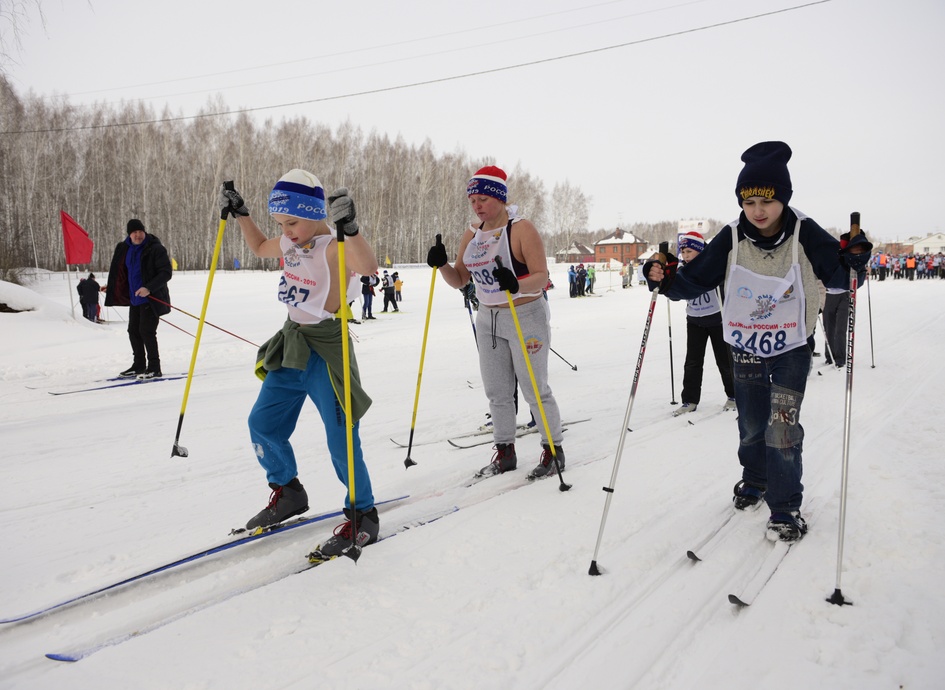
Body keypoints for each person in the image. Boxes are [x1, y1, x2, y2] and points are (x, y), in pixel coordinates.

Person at [644, 142, 871, 542]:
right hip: (746, 345)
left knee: (781, 427)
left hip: (792, 346)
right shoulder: (731, 236)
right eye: (749, 200)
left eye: (767, 199)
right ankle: (756, 478)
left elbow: (840, 279)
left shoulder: (804, 230)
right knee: (750, 424)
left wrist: (853, 261)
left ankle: (785, 508)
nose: (758, 209)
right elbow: (695, 281)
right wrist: (664, 281)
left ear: (782, 198)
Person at [220, 170, 380, 558]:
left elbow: (369, 265)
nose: (286, 231)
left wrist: (351, 228)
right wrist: (242, 213)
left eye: (291, 222)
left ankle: (364, 515)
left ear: (313, 212)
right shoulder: (292, 243)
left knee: (341, 439)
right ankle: (288, 491)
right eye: (281, 224)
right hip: (291, 346)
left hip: (327, 351)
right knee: (263, 424)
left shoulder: (332, 245)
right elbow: (259, 247)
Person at [427, 165, 565, 479]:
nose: (476, 205)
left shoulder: (521, 229)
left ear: (500, 199)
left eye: (483, 199)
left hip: (525, 314)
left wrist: (516, 283)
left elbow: (541, 277)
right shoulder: (472, 232)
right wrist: (442, 265)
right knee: (497, 391)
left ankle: (553, 449)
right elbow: (460, 279)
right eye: (472, 199)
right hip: (488, 316)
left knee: (534, 389)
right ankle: (505, 452)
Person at [671, 232, 735, 417]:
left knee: (724, 360)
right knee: (692, 362)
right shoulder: (683, 271)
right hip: (694, 320)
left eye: (689, 250)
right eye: (683, 251)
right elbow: (676, 294)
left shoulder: (712, 267)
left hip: (717, 319)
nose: (685, 254)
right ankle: (689, 400)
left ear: (700, 251)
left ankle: (733, 395)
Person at [104, 219, 172, 379]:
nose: (138, 235)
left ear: (144, 232)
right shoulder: (124, 249)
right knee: (133, 331)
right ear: (129, 234)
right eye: (134, 232)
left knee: (146, 331)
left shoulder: (155, 249)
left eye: (140, 231)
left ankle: (154, 368)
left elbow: (166, 273)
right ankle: (139, 365)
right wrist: (113, 287)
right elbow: (121, 273)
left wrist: (148, 288)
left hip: (152, 298)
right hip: (135, 299)